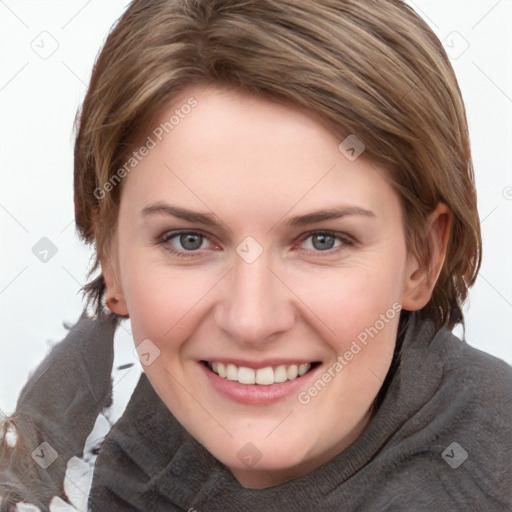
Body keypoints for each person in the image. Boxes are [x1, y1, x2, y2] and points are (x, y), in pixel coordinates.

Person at [1, 0, 511, 510]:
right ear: (111, 257)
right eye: (189, 240)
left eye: (322, 240)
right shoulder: (74, 417)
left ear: (422, 258)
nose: (251, 320)